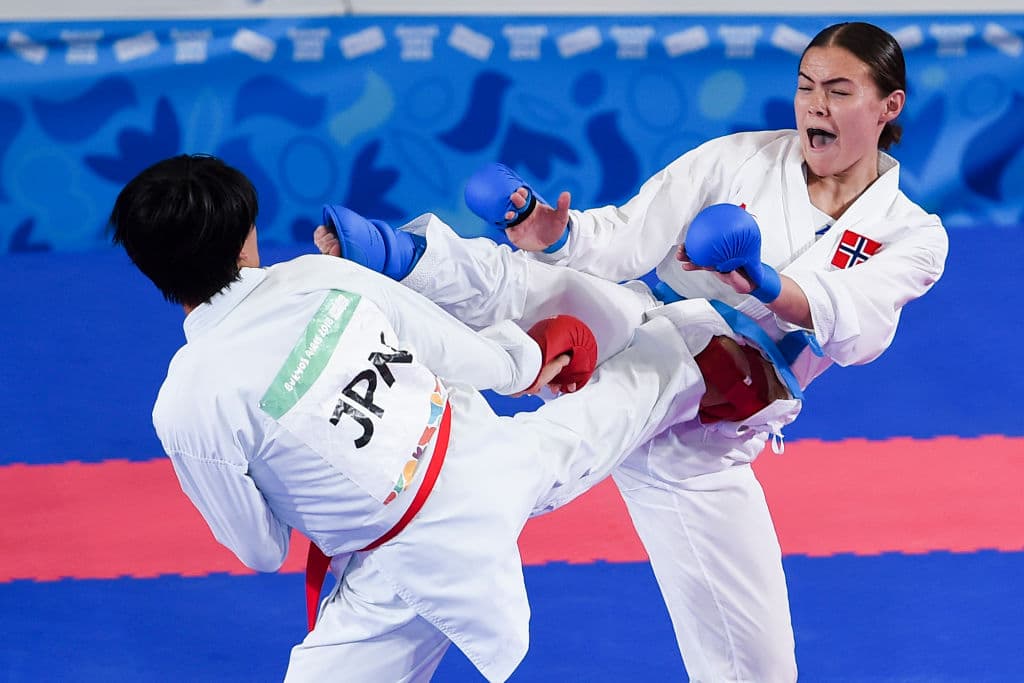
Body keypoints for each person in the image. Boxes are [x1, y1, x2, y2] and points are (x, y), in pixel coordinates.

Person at [313, 21, 948, 682]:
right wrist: (557, 231)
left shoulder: (912, 234)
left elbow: (856, 325)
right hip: (653, 334)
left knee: (759, 668)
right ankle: (399, 259)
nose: (814, 105)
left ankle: (472, 464)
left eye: (838, 91)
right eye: (805, 87)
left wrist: (759, 280)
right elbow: (629, 233)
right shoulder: (743, 157)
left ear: (888, 106)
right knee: (554, 289)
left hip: (711, 440)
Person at [109, 153, 801, 682]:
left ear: (149, 269)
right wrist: (532, 360)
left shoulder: (187, 404)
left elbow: (260, 551)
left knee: (537, 467)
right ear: (246, 238)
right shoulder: (317, 276)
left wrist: (323, 484)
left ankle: (681, 362)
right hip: (479, 453)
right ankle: (686, 357)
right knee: (567, 439)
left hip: (413, 556)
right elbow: (460, 353)